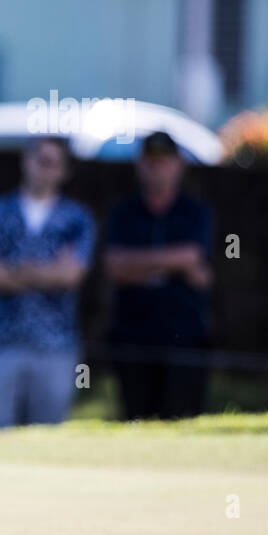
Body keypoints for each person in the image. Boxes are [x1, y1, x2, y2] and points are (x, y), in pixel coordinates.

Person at [0, 137, 95, 427]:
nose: (44, 169)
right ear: (26, 160)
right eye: (39, 159)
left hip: (56, 346)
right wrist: (48, 272)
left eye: (53, 163)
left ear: (64, 171)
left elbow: (72, 276)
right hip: (0, 342)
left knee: (49, 440)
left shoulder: (77, 219)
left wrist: (10, 271)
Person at [103, 131, 214, 420]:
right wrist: (173, 264)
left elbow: (195, 260)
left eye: (163, 161)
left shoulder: (195, 212)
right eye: (151, 161)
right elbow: (114, 267)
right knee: (135, 419)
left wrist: (137, 264)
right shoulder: (123, 212)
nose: (157, 168)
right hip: (132, 337)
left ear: (179, 164)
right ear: (140, 165)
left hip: (184, 339)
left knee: (182, 419)